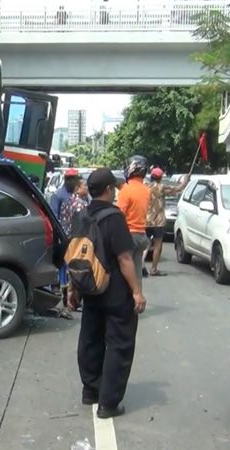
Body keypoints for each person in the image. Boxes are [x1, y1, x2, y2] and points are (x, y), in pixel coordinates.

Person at [68, 168, 146, 419]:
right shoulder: (114, 218)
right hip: (114, 294)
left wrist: (73, 289)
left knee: (90, 340)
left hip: (90, 290)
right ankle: (108, 403)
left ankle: (90, 390)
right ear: (109, 190)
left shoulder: (81, 215)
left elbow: (75, 255)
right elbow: (125, 258)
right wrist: (136, 292)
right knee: (118, 344)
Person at [146, 168, 188, 276]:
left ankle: (139, 267)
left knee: (143, 246)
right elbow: (178, 188)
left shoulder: (145, 187)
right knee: (157, 245)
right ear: (160, 177)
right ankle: (154, 269)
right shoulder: (162, 187)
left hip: (146, 220)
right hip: (158, 221)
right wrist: (185, 181)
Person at [116, 155, 152, 281]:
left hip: (129, 235)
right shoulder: (146, 190)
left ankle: (129, 297)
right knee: (137, 274)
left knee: (123, 272)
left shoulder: (126, 190)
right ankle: (137, 296)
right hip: (142, 235)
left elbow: (119, 216)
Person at [50, 168, 82, 294]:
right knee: (61, 263)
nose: (76, 183)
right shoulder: (58, 195)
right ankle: (57, 286)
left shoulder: (76, 195)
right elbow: (54, 215)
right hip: (62, 235)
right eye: (74, 180)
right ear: (68, 180)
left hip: (75, 234)